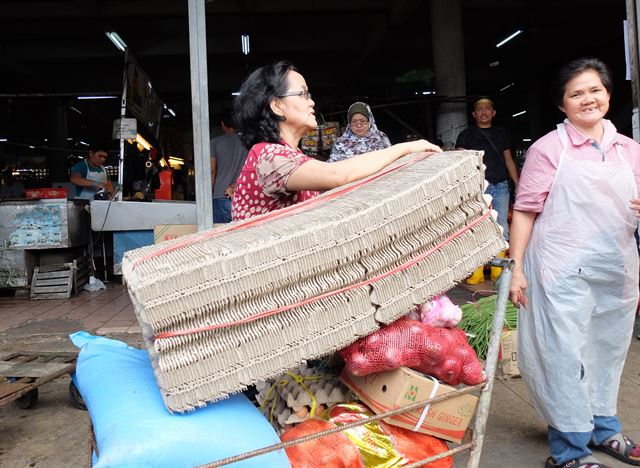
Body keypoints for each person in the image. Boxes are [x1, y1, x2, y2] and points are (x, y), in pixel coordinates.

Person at [509, 57, 640, 468]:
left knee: (607, 350)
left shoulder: (629, 149)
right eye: (576, 93)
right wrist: (516, 268)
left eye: (595, 90)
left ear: (608, 94)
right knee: (564, 356)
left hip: (614, 269)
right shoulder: (550, 149)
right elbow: (526, 211)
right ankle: (570, 449)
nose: (588, 99)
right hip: (560, 271)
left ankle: (605, 430)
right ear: (562, 105)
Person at [231, 60, 441, 222]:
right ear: (277, 106)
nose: (312, 102)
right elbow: (339, 175)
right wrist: (407, 147)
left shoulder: (290, 157)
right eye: (303, 94)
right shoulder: (268, 155)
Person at [456, 96, 519, 284]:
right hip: (477, 188)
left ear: (493, 113)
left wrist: (517, 184)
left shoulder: (502, 133)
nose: (483, 112)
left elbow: (508, 160)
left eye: (487, 109)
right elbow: (459, 162)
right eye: (480, 109)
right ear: (474, 114)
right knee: (476, 227)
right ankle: (476, 271)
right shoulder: (466, 135)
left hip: (500, 185)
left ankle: (497, 271)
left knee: (501, 227)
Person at [210, 109, 248, 223]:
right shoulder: (248, 142)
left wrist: (209, 195)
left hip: (220, 195)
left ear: (222, 124)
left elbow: (212, 172)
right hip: (241, 195)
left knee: (219, 235)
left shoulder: (215, 142)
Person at [327, 101, 391, 162]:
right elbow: (332, 167)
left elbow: (390, 158)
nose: (359, 125)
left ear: (369, 121)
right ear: (349, 124)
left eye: (362, 121)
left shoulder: (381, 137)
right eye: (354, 122)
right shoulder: (340, 143)